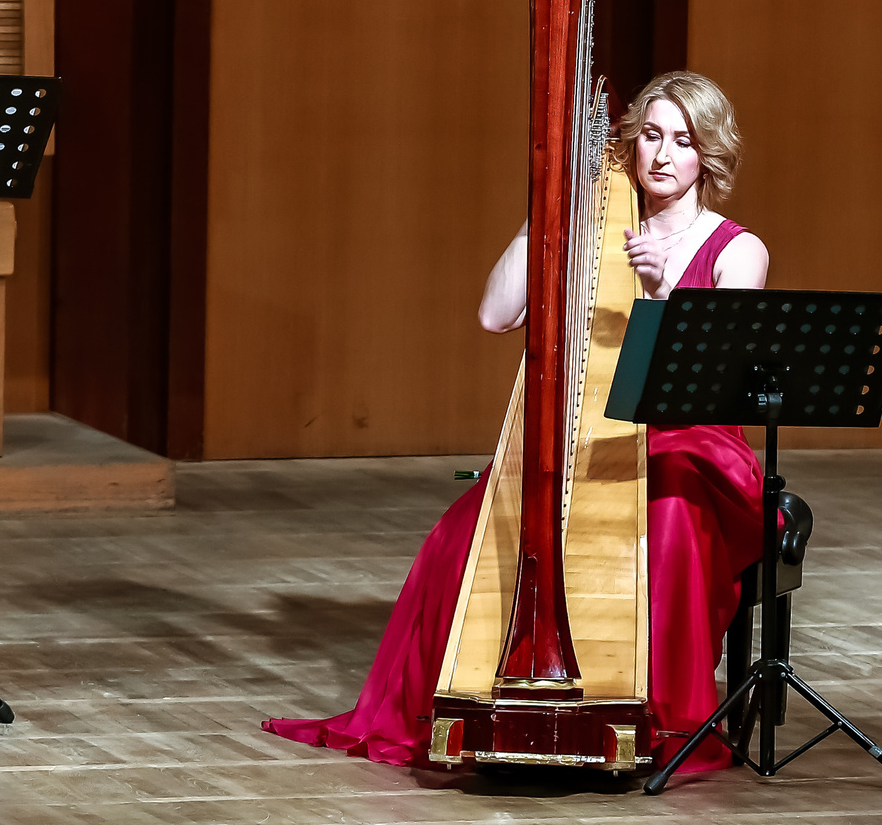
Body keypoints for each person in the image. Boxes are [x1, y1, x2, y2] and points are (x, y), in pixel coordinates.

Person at [266, 71, 768, 774]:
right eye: (651, 135)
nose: (662, 154)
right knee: (464, 529)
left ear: (707, 154)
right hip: (592, 434)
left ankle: (653, 718)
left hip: (691, 442)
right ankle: (475, 702)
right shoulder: (590, 222)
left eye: (683, 141)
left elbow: (707, 387)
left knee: (670, 517)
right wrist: (549, 206)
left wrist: (658, 293)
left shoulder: (737, 251)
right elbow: (495, 314)